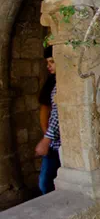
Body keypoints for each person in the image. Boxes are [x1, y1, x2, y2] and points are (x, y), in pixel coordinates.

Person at [35, 46, 61, 195]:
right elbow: (48, 111)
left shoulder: (61, 85)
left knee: (45, 182)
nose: (48, 66)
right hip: (54, 143)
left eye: (51, 61)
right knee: (45, 182)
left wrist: (47, 139)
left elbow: (58, 113)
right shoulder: (53, 84)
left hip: (57, 143)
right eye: (47, 62)